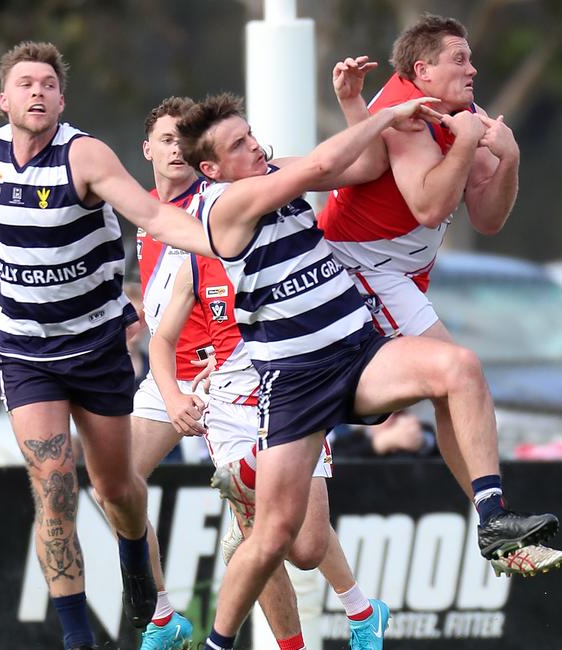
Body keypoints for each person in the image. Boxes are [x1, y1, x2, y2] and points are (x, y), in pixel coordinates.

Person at [173, 86, 558, 650]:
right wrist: (390, 115)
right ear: (211, 168)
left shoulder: (273, 169)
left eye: (252, 134)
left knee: (460, 369)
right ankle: (217, 643)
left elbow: (363, 164)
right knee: (277, 539)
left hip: (358, 355)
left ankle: (494, 518)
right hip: (297, 382)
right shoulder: (224, 205)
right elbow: (329, 161)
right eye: (239, 143)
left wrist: (362, 110)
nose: (256, 146)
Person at [0, 42, 211, 650]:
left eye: (48, 84)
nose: (38, 92)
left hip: (96, 345)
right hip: (24, 349)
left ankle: (134, 556)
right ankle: (77, 638)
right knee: (52, 480)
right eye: (25, 84)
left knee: (117, 488)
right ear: (5, 100)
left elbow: (151, 217)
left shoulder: (85, 156)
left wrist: (216, 240)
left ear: (61, 100)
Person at [317, 18, 562, 576]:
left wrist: (511, 159)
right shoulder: (404, 111)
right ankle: (493, 521)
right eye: (459, 59)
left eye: (472, 58)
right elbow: (429, 206)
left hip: (398, 275)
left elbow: (489, 218)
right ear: (422, 70)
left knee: (460, 381)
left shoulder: (462, 116)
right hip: (357, 265)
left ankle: (494, 522)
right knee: (460, 372)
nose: (473, 69)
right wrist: (470, 144)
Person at [149, 252, 391, 649]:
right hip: (229, 409)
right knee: (262, 544)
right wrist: (173, 397)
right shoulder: (196, 260)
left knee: (308, 549)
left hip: (293, 396)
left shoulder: (289, 244)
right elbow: (162, 340)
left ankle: (363, 611)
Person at [130, 96, 212, 650]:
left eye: (187, 138)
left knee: (276, 533)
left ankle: (357, 611)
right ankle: (164, 618)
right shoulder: (141, 214)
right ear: (147, 150)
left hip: (228, 375)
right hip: (167, 379)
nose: (176, 147)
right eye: (166, 138)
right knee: (114, 484)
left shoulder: (216, 200)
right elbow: (158, 299)